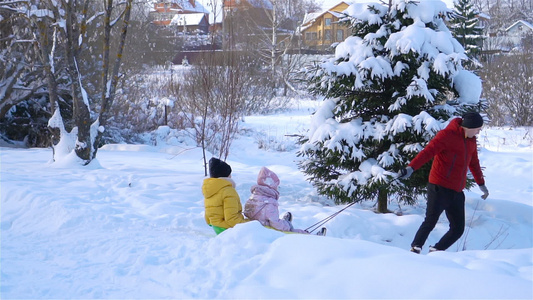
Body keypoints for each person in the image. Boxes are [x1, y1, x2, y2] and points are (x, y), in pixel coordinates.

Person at [398, 112, 489, 254]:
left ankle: (436, 251)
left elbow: (474, 163)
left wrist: (481, 184)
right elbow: (428, 152)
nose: (478, 132)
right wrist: (411, 167)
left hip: (457, 191)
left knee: (458, 229)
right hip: (439, 187)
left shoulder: (471, 140)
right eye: (478, 129)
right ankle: (415, 248)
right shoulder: (447, 135)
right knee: (430, 222)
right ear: (469, 127)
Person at [244, 166, 326, 236]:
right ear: (271, 186)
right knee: (295, 233)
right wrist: (287, 226)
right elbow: (275, 223)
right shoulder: (269, 203)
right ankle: (312, 238)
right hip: (269, 230)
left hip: (260, 226)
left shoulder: (254, 197)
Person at [203, 157, 247, 234]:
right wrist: (249, 223)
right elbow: (231, 219)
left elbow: (207, 217)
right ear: (226, 175)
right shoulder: (228, 191)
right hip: (228, 229)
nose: (231, 176)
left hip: (216, 228)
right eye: (230, 174)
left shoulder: (211, 189)